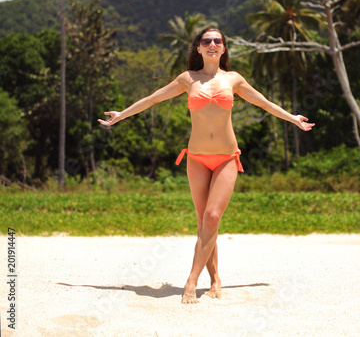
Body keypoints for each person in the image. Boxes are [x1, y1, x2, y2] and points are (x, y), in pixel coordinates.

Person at [98, 27, 314, 304]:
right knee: (204, 224)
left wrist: (293, 118)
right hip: (197, 158)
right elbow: (152, 99)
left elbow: (265, 104)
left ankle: (191, 281)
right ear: (198, 48)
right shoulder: (188, 79)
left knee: (212, 218)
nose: (212, 44)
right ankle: (215, 279)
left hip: (226, 158)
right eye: (206, 40)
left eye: (217, 40)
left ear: (224, 48)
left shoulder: (234, 79)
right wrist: (121, 115)